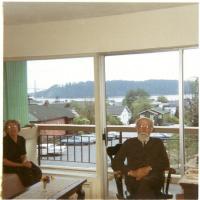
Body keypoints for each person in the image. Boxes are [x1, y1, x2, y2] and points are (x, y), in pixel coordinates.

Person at [112, 117, 169, 199]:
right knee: (144, 185)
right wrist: (131, 172)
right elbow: (115, 163)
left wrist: (148, 168)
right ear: (136, 128)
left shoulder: (158, 143)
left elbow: (165, 163)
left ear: (151, 129)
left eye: (147, 126)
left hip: (154, 179)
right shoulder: (129, 143)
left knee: (145, 183)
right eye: (141, 126)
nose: (144, 129)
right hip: (133, 180)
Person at [3, 119, 42, 187]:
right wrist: (22, 165)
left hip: (21, 163)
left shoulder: (21, 139)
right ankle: (30, 190)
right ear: (6, 130)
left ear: (18, 128)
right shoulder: (4, 142)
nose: (13, 129)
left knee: (37, 170)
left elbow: (23, 155)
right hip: (9, 166)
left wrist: (25, 162)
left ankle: (35, 187)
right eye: (10, 127)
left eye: (14, 126)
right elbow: (4, 161)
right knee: (27, 173)